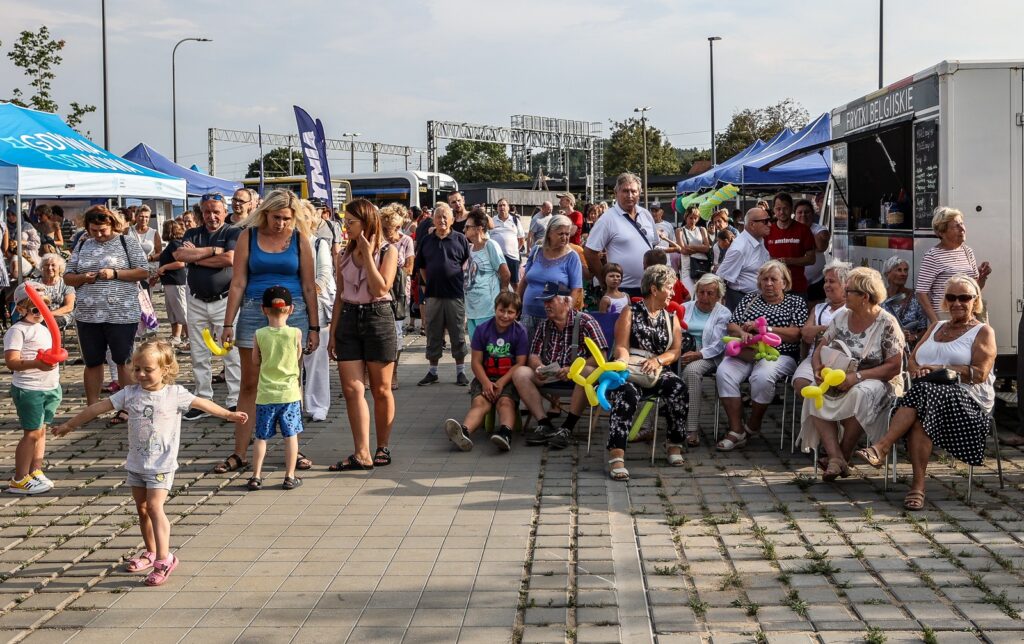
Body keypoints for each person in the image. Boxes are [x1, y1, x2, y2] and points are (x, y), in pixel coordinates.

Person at [53, 340, 246, 585]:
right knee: (142, 510)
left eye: (148, 369)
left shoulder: (175, 394)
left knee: (155, 508)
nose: (141, 374)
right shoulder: (129, 394)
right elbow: (98, 408)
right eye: (136, 369)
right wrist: (70, 424)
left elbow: (203, 404)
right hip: (136, 463)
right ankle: (151, 550)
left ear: (165, 369)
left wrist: (229, 414)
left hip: (161, 465)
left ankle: (165, 559)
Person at [856, 275, 995, 511]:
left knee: (925, 393)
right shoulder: (936, 327)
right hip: (927, 399)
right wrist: (920, 371)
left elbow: (980, 374)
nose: (957, 303)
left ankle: (882, 447)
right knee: (924, 406)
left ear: (975, 300)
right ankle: (916, 487)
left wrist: (942, 369)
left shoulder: (983, 331)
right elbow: (911, 361)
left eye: (964, 298)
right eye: (951, 297)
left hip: (968, 398)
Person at [220, 189, 320, 475]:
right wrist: (228, 323)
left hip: (294, 313)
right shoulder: (247, 237)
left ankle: (293, 448)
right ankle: (240, 452)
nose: (282, 224)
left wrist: (314, 326)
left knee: (289, 382)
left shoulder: (299, 240)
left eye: (288, 219)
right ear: (265, 213)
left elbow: (309, 285)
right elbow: (237, 283)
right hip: (253, 311)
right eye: (277, 217)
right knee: (249, 384)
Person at [798, 267, 905, 480]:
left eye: (848, 292)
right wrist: (817, 368)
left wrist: (856, 377)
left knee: (860, 394)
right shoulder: (842, 317)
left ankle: (842, 455)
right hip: (838, 375)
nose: (844, 295)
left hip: (878, 380)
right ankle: (837, 457)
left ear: (865, 296)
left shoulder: (887, 323)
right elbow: (821, 346)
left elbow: (894, 366)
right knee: (813, 394)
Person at [327, 199, 398, 470]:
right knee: (352, 389)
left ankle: (382, 446)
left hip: (378, 317)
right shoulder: (343, 253)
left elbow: (381, 288)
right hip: (348, 320)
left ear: (367, 222)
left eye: (351, 222)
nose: (346, 226)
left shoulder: (388, 251)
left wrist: (368, 255)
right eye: (345, 221)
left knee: (381, 389)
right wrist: (332, 333)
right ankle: (361, 452)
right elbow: (340, 297)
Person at [605, 265, 689, 481]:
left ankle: (674, 445)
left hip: (658, 368)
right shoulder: (630, 312)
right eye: (669, 288)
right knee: (627, 394)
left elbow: (675, 351)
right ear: (654, 289)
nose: (672, 293)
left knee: (678, 387)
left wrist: (658, 360)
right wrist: (622, 362)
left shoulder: (671, 318)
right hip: (631, 367)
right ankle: (617, 455)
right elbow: (621, 346)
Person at [64, 206, 150, 410]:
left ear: (112, 224)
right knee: (92, 361)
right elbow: (67, 275)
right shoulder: (83, 243)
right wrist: (83, 278)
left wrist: (115, 274)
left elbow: (143, 271)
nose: (99, 235)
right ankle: (93, 407)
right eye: (94, 230)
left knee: (123, 359)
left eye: (103, 230)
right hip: (88, 313)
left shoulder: (126, 241)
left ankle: (127, 408)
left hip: (121, 312)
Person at [716, 260, 807, 451]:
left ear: (785, 282)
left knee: (762, 377)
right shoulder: (750, 298)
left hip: (779, 354)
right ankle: (736, 429)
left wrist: (765, 328)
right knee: (724, 372)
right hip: (747, 352)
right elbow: (732, 324)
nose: (768, 284)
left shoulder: (795, 302)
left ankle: (753, 424)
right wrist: (742, 333)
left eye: (774, 279)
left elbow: (797, 334)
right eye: (764, 279)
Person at [511, 282, 607, 449]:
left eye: (551, 301)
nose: (546, 306)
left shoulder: (585, 321)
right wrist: (539, 367)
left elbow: (602, 357)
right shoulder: (545, 325)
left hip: (577, 376)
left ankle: (567, 427)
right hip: (551, 375)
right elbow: (533, 354)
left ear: (566, 302)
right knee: (520, 373)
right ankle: (544, 422)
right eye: (545, 302)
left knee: (586, 372)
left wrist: (572, 369)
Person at [173, 194, 241, 423]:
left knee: (230, 352)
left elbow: (230, 259)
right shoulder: (193, 233)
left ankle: (235, 399)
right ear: (201, 213)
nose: (211, 216)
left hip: (224, 302)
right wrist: (214, 251)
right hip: (197, 302)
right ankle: (203, 400)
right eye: (207, 212)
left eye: (216, 211)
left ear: (225, 212)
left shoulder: (232, 231)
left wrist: (197, 257)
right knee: (199, 353)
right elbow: (181, 255)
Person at [443, 292, 529, 453]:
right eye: (501, 310)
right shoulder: (483, 330)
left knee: (506, 403)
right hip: (485, 377)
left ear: (517, 314)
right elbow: (476, 361)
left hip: (508, 379)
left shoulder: (520, 332)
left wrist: (501, 383)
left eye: (510, 312)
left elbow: (521, 363)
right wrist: (485, 383)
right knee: (480, 403)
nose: (505, 315)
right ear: (495, 309)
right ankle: (464, 431)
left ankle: (505, 433)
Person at [246, 287, 305, 491]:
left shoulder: (259, 334)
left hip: (265, 395)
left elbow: (255, 360)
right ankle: (289, 475)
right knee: (291, 436)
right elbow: (297, 356)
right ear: (291, 309)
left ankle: (256, 476)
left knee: (261, 437)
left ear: (264, 309)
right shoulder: (295, 333)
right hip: (289, 394)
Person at [4, 282, 60, 494]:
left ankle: (35, 470)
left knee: (41, 431)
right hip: (30, 389)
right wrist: (36, 364)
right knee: (31, 434)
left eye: (45, 308)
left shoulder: (43, 328)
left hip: (49, 387)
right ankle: (19, 478)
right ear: (20, 309)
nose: (41, 313)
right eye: (36, 309)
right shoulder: (18, 331)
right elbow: (12, 362)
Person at [414, 203, 471, 386]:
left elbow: (466, 263)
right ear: (434, 220)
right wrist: (429, 283)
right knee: (433, 333)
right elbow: (421, 267)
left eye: (446, 216)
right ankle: (433, 372)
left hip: (455, 294)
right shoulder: (426, 241)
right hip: (433, 295)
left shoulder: (460, 239)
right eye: (439, 217)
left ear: (452, 220)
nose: (442, 220)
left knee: (457, 333)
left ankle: (461, 372)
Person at [583, 173, 658, 297]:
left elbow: (653, 246)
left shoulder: (646, 214)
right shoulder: (607, 219)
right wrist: (604, 281)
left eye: (633, 191)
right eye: (625, 191)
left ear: (639, 193)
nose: (629, 195)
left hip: (649, 286)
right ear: (616, 192)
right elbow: (590, 252)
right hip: (621, 289)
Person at [679, 273, 731, 447]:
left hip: (708, 355)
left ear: (718, 296)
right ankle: (647, 426)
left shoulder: (723, 313)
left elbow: (719, 344)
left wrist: (698, 354)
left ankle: (691, 429)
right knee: (657, 369)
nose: (704, 297)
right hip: (680, 352)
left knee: (692, 372)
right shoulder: (684, 307)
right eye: (701, 292)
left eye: (710, 293)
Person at [915, 207, 990, 324]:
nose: (962, 229)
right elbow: (921, 293)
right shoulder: (933, 255)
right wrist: (935, 322)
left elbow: (975, 289)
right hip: (945, 316)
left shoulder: (968, 252)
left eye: (962, 224)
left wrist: (983, 276)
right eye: (956, 226)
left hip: (968, 315)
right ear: (941, 232)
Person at [791, 260, 851, 400]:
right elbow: (806, 335)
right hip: (814, 358)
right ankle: (816, 416)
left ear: (845, 285)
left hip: (841, 360)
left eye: (832, 281)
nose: (827, 285)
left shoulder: (850, 310)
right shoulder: (818, 308)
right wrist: (828, 329)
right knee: (801, 384)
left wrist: (817, 330)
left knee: (835, 387)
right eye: (825, 281)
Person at [518, 214, 583, 338]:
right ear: (549, 233)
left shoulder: (572, 257)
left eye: (567, 234)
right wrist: (515, 303)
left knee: (549, 354)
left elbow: (576, 289)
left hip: (554, 319)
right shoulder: (536, 250)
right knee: (525, 353)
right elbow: (525, 281)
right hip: (527, 315)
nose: (565, 237)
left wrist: (566, 313)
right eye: (561, 234)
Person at [303, 200, 339, 417]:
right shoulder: (285, 245)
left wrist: (304, 297)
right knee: (292, 361)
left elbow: (324, 276)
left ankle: (318, 406)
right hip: (291, 309)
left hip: (317, 307)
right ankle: (293, 406)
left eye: (305, 217)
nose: (301, 222)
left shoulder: (319, 244)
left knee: (316, 360)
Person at [380, 204, 414, 390]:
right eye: (383, 229)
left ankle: (393, 371)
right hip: (379, 292)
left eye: (390, 229)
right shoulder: (377, 240)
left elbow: (409, 268)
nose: (386, 233)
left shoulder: (406, 241)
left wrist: (389, 272)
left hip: (399, 293)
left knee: (397, 333)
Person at [464, 210, 510, 337]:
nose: (464, 229)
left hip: (488, 308)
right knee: (476, 348)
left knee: (488, 348)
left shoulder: (490, 245)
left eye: (468, 227)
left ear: (479, 228)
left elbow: (505, 273)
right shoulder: (470, 248)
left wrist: (502, 296)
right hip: (472, 308)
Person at [716, 208, 772, 310]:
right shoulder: (739, 248)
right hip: (741, 302)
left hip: (759, 300)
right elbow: (720, 278)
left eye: (770, 220)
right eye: (765, 221)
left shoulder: (760, 239)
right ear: (752, 225)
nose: (770, 224)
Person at [765, 193, 816, 298]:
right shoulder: (768, 231)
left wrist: (787, 261)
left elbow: (811, 259)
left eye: (785, 208)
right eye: (778, 209)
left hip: (797, 288)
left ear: (791, 209)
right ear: (773, 210)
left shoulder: (803, 230)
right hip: (774, 288)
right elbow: (763, 257)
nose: (782, 212)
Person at [881, 255, 928, 348]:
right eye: (899, 270)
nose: (903, 274)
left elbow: (923, 329)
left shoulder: (915, 296)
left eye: (905, 270)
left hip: (908, 349)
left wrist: (914, 337)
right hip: (885, 347)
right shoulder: (880, 297)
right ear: (887, 274)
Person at [156, 221, 188, 349]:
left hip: (176, 282)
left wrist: (164, 267)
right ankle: (177, 336)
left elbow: (181, 262)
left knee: (182, 311)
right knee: (173, 312)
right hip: (170, 282)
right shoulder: (172, 244)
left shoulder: (175, 244)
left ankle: (190, 338)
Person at [794, 199, 830, 302]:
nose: (803, 215)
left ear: (813, 214)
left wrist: (804, 232)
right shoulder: (789, 230)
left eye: (807, 212)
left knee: (815, 312)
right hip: (795, 280)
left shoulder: (819, 229)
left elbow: (821, 246)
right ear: (795, 215)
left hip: (817, 280)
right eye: (800, 212)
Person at [676, 205, 712, 291]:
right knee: (691, 294)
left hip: (702, 266)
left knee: (702, 293)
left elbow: (707, 248)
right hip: (687, 267)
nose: (693, 220)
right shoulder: (679, 230)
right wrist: (700, 248)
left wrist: (690, 247)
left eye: (695, 218)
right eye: (691, 218)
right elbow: (683, 250)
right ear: (686, 217)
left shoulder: (702, 229)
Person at [490, 198, 525, 287]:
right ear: (497, 208)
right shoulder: (491, 221)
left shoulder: (515, 220)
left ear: (508, 207)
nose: (502, 207)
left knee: (515, 284)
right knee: (498, 283)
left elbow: (521, 239)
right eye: (500, 205)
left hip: (512, 257)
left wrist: (514, 250)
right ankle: (500, 300)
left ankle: (517, 301)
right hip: (497, 257)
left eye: (504, 205)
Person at [37, 254, 75, 330]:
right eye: (46, 265)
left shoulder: (66, 283)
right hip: (38, 315)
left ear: (59, 268)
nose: (50, 268)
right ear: (42, 267)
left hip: (62, 315)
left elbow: (69, 307)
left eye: (53, 265)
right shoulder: (35, 283)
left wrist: (48, 314)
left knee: (47, 323)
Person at [128, 205, 162, 289]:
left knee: (146, 299)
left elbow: (160, 253)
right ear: (136, 217)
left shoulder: (154, 233)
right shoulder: (128, 231)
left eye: (147, 217)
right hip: (131, 270)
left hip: (148, 271)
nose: (144, 219)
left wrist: (149, 258)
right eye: (141, 216)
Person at [310, 197, 344, 263]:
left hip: (327, 269)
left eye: (317, 209)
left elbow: (336, 252)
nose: (314, 211)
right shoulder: (300, 227)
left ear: (322, 210)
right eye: (311, 209)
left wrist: (337, 272)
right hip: (307, 269)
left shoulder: (332, 226)